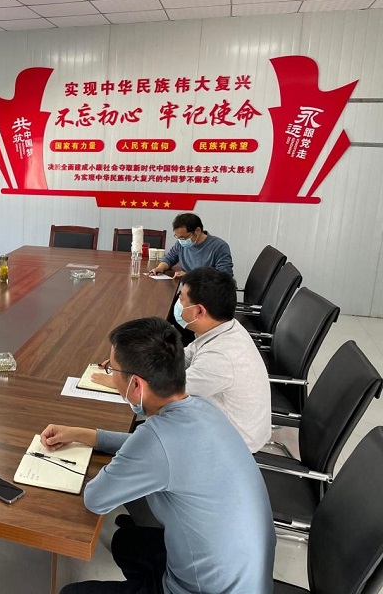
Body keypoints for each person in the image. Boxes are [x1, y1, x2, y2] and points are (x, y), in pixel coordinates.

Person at [44, 317, 274, 594]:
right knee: (126, 543)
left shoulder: (156, 438)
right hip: (244, 575)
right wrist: (86, 435)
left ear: (136, 385)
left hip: (205, 590)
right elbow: (156, 450)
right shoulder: (202, 407)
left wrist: (111, 463)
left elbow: (95, 499)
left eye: (113, 370)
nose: (111, 375)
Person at [93, 268, 271, 453]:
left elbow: (163, 395)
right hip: (218, 420)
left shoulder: (221, 358)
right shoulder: (223, 329)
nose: (178, 303)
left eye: (182, 299)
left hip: (234, 443)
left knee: (131, 435)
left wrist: (121, 380)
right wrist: (131, 359)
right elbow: (180, 358)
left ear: (199, 311)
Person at [148, 213, 233, 277]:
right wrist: (160, 268)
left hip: (211, 291)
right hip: (190, 289)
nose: (181, 240)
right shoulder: (180, 244)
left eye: (184, 237)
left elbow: (224, 277)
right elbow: (169, 258)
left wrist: (190, 276)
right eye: (177, 237)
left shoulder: (219, 247)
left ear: (197, 231)